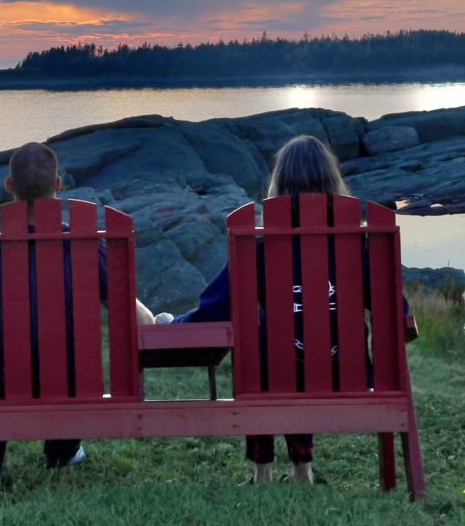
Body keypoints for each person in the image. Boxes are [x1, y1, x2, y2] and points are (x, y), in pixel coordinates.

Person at [156, 134, 409, 485]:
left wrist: (171, 325)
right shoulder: (361, 246)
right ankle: (302, 471)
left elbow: (212, 312)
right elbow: (398, 316)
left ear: (279, 185)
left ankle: (262, 472)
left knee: (267, 339)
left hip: (272, 374)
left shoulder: (258, 248)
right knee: (296, 339)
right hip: (345, 376)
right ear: (333, 183)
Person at [0, 141, 155, 483]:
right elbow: (141, 321)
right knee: (64, 362)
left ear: (8, 186)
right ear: (59, 184)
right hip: (72, 387)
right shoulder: (87, 245)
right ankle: (63, 452)